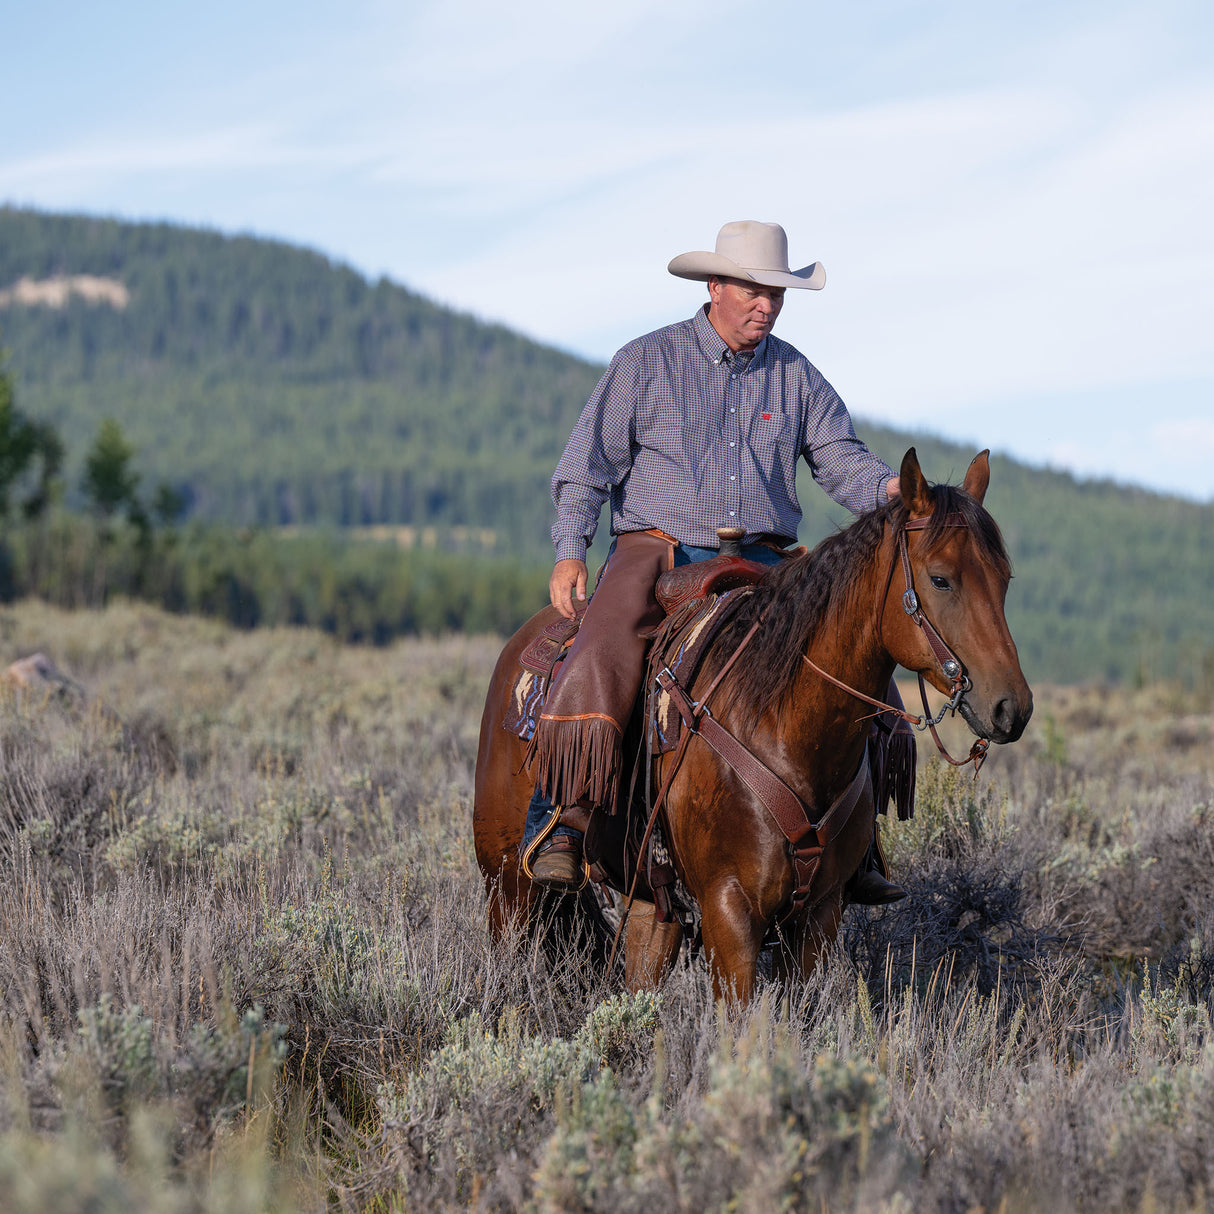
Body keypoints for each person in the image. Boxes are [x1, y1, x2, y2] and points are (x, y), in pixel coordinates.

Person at [523, 220, 905, 904]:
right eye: (755, 290)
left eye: (777, 294)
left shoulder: (796, 376)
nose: (767, 305)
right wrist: (569, 551)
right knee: (603, 646)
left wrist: (887, 490)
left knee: (863, 667)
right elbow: (586, 468)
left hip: (764, 558)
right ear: (715, 286)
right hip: (656, 547)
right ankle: (563, 821)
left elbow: (839, 460)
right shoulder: (647, 362)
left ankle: (859, 840)